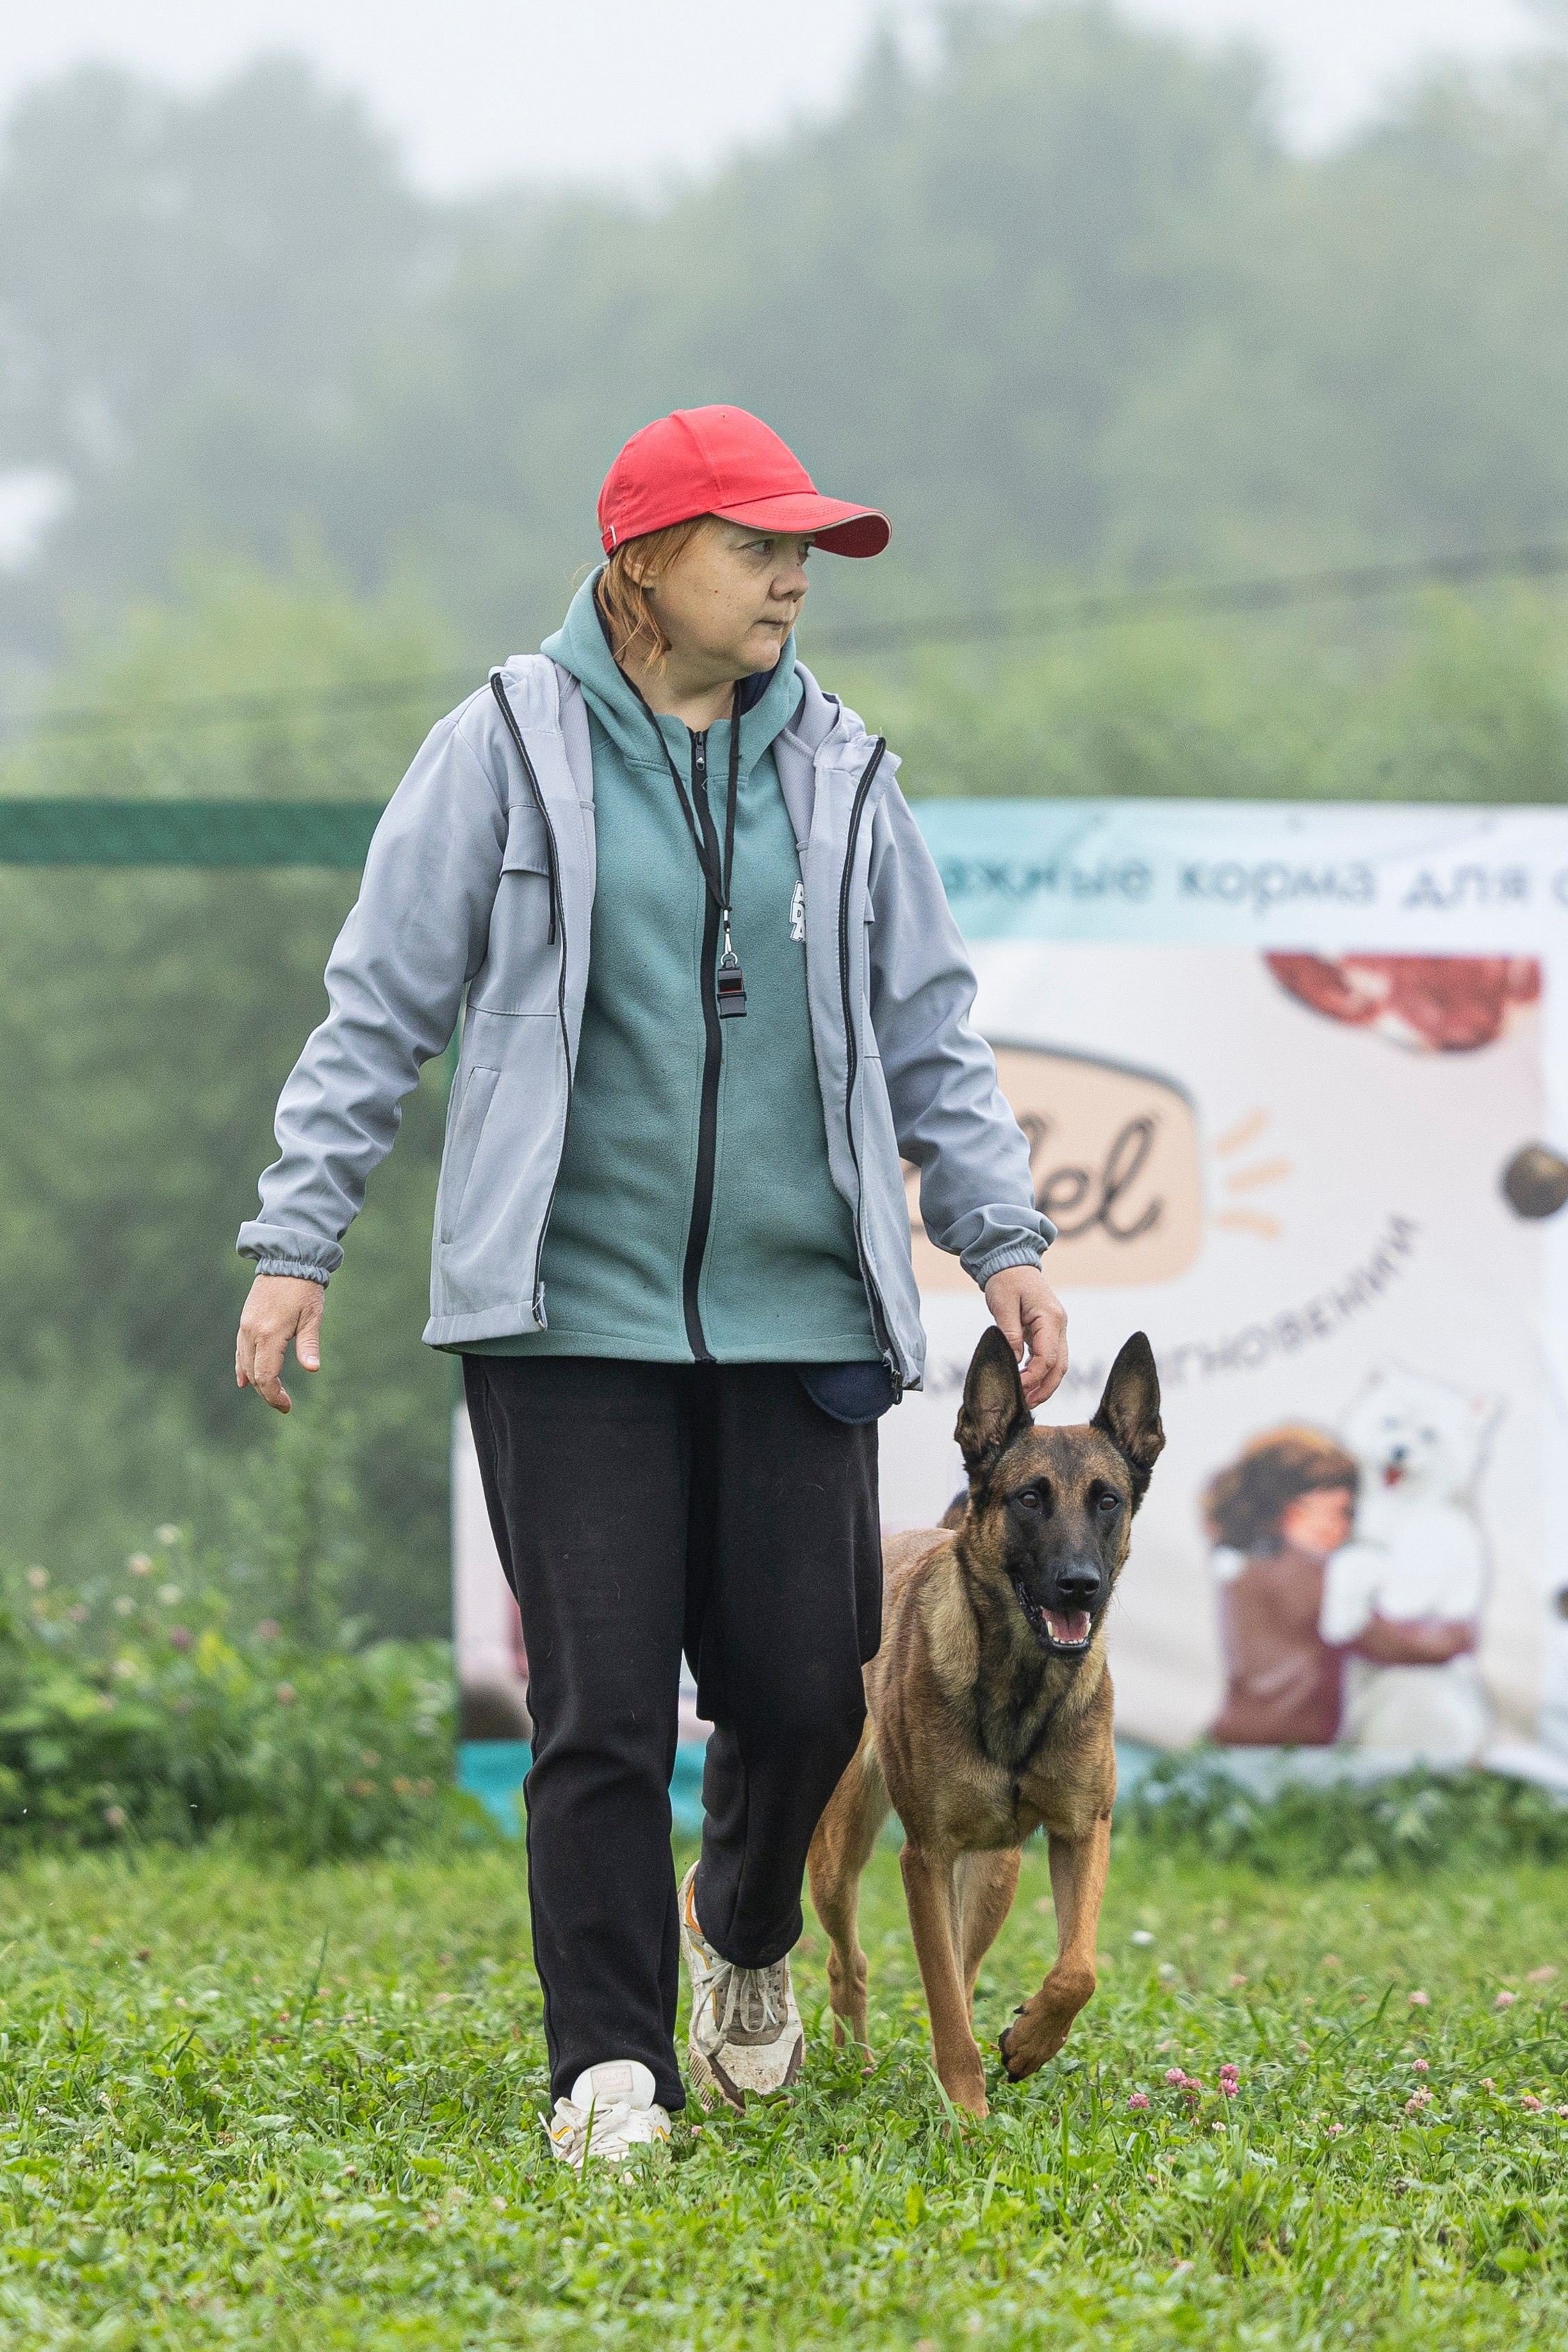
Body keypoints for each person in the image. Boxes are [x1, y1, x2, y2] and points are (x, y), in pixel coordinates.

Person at [234, 406, 1065, 2168]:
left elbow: (930, 1025)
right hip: (565, 1317)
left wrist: (1002, 1237)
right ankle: (606, 2067)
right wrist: (299, 1241)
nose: (791, 579)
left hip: (802, 1314)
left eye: (803, 552)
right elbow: (376, 1007)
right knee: (599, 1707)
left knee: (803, 1693)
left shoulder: (844, 770)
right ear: (646, 562)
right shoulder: (498, 746)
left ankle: (744, 1934)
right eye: (756, 546)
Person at [1205, 1426, 1473, 1747]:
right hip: (1288, 1742)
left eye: (1347, 1515)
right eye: (1335, 1513)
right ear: (1286, 1511)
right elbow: (1385, 1642)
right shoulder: (1308, 1577)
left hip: (1244, 1729)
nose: (1339, 1528)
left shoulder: (1248, 1567)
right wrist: (1455, 1638)